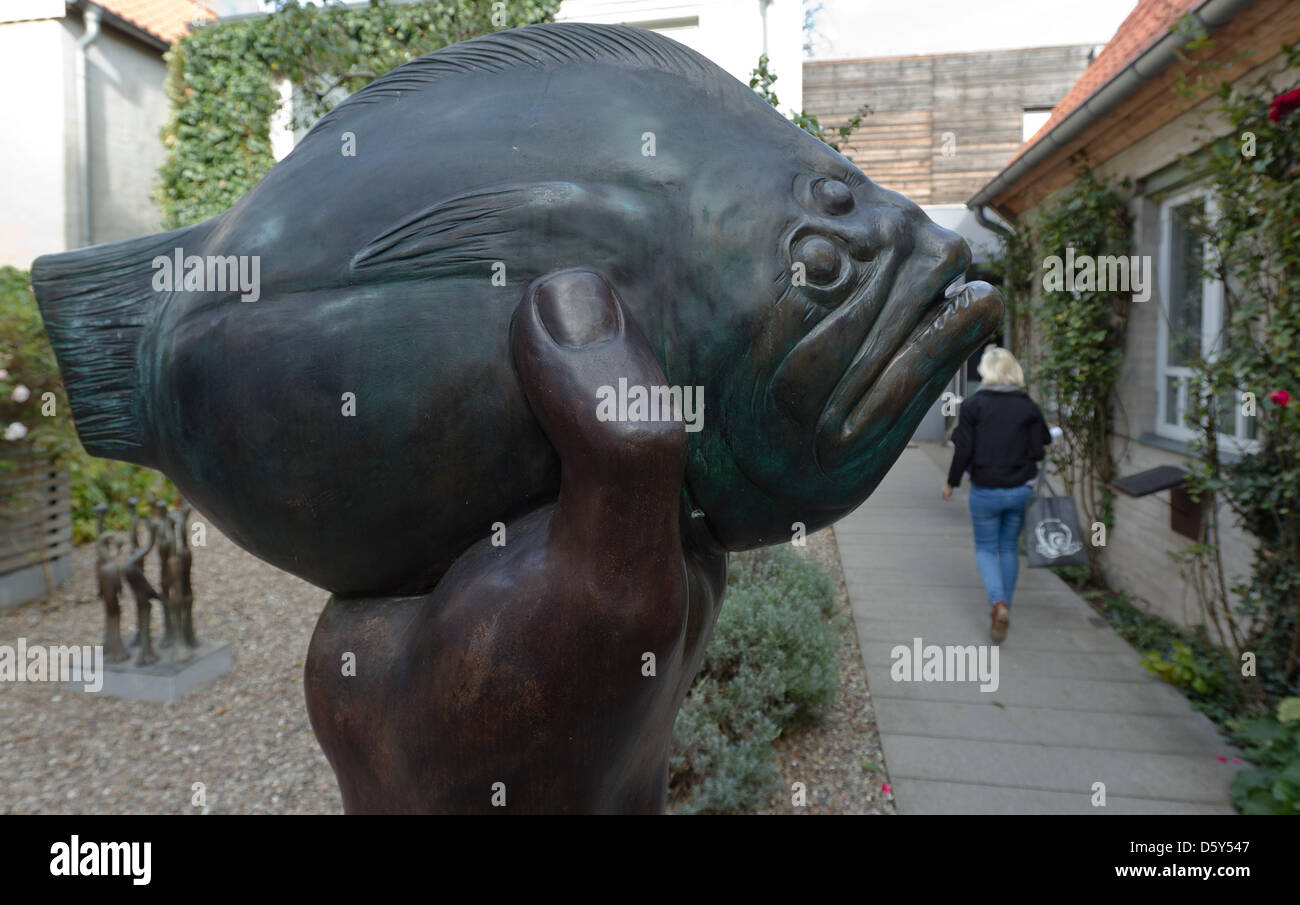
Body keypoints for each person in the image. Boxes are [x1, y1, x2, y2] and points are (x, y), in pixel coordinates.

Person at [940, 347, 1053, 643]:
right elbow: (1040, 447)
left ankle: (998, 604)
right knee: (1008, 549)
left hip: (986, 491)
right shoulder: (1027, 405)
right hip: (1019, 491)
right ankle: (1004, 609)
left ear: (986, 373)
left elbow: (963, 449)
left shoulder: (974, 405)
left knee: (986, 549)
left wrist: (951, 482)